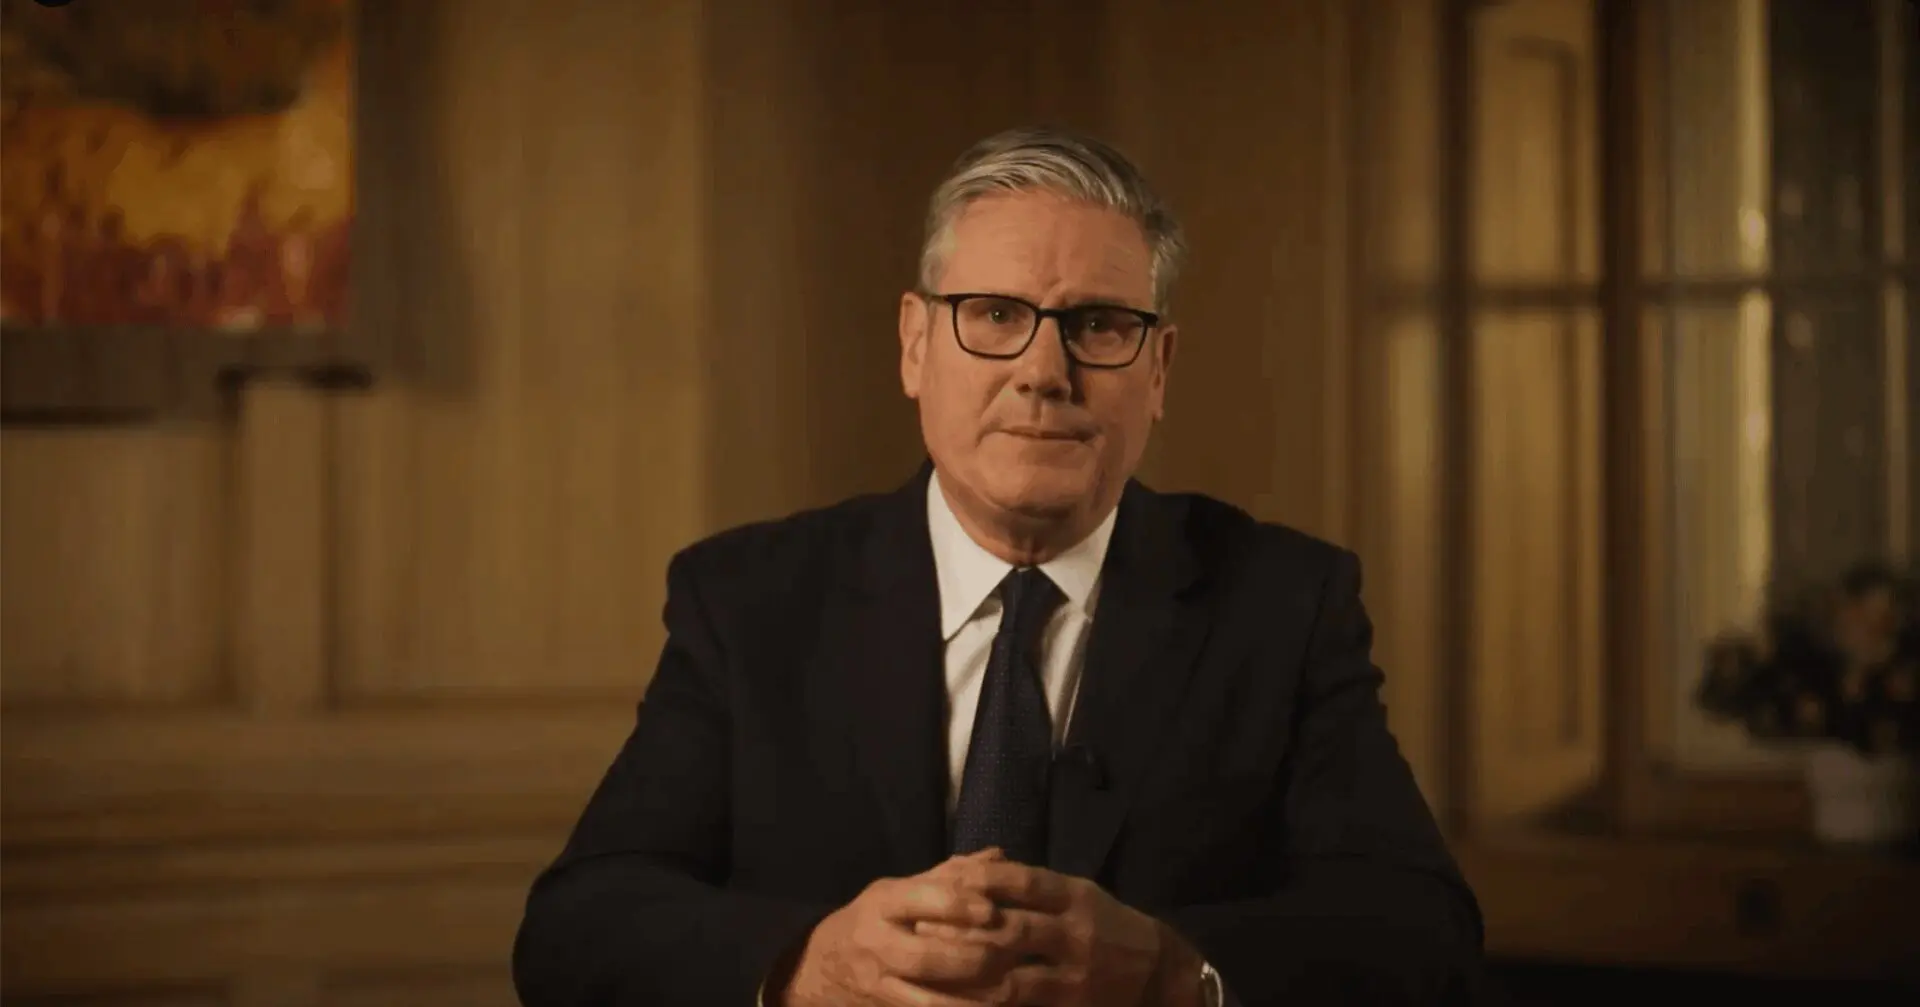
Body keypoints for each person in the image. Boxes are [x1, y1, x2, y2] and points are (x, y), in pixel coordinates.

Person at [512, 126, 1484, 1006]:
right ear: (914, 343)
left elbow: (1419, 931)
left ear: (1159, 371)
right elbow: (576, 928)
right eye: (993, 313)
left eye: (1099, 325)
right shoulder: (750, 599)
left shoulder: (1283, 602)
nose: (1043, 370)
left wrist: (1171, 974)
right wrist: (808, 964)